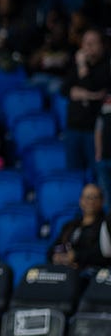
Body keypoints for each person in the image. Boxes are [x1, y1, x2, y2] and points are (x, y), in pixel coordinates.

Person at [61, 27, 111, 177]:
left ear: (102, 45)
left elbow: (98, 90)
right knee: (73, 175)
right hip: (73, 128)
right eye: (85, 43)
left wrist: (83, 69)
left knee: (96, 176)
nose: (87, 47)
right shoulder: (74, 65)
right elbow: (64, 90)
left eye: (92, 43)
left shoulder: (107, 67)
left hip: (95, 131)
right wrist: (90, 95)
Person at [48, 184, 111, 273]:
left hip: (91, 276)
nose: (90, 201)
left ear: (102, 201)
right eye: (87, 197)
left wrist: (76, 256)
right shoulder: (70, 226)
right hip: (65, 274)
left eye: (95, 197)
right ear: (80, 200)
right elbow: (54, 248)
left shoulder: (105, 225)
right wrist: (56, 256)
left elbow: (104, 254)